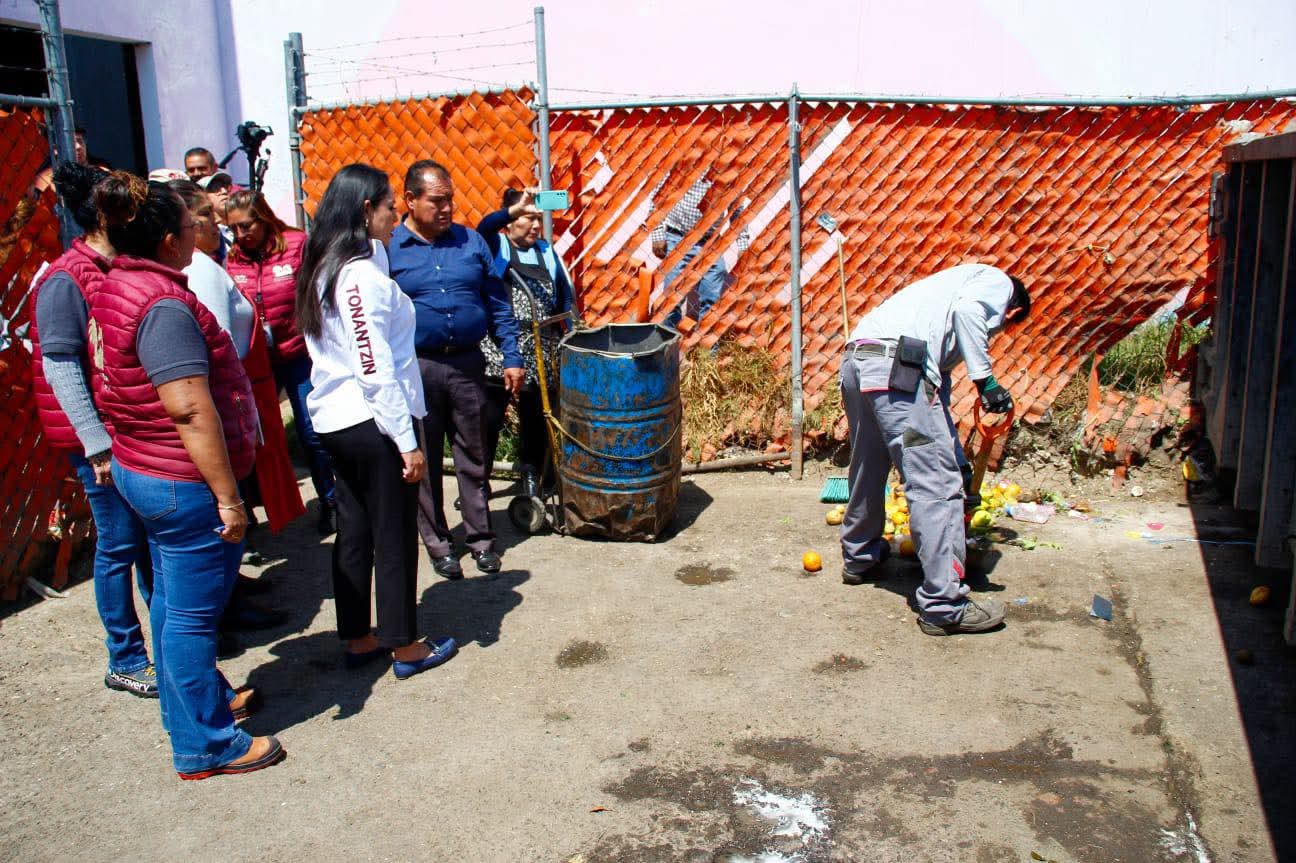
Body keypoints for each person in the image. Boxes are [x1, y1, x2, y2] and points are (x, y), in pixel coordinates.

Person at [89, 174, 283, 778]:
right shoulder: (163, 304)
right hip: (180, 478)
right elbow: (190, 407)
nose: (204, 235)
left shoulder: (118, 285)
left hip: (146, 466)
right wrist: (228, 498)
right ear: (171, 239)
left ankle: (192, 715)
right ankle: (206, 743)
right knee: (192, 617)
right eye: (194, 227)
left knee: (175, 610)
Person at [296, 163, 457, 680]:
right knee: (393, 534)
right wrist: (406, 440)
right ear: (367, 210)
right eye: (391, 207)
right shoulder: (358, 274)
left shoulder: (331, 261)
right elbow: (374, 365)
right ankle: (405, 645)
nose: (396, 216)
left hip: (338, 419)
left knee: (357, 529)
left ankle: (358, 634)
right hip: (371, 420)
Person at [838, 264, 1030, 636]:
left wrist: (958, 460)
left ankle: (859, 557)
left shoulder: (931, 306)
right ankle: (944, 605)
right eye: (1003, 326)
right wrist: (986, 382)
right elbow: (969, 313)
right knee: (935, 485)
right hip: (898, 368)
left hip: (858, 360)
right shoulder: (998, 284)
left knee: (869, 464)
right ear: (1013, 311)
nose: (996, 330)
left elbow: (932, 405)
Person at [29, 162, 156, 698]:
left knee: (149, 540)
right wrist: (96, 444)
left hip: (127, 431)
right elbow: (60, 365)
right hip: (100, 443)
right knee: (120, 542)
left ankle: (171, 646)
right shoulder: (65, 278)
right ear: (107, 216)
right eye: (134, 207)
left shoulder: (116, 267)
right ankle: (124, 657)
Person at [388, 160, 523, 578]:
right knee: (424, 459)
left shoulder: (470, 242)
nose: (447, 208)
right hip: (417, 369)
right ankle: (439, 545)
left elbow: (498, 302)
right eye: (437, 200)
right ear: (410, 200)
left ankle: (481, 539)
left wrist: (512, 356)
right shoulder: (388, 250)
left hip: (468, 363)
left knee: (474, 453)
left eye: (450, 199)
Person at [170, 179, 304, 536]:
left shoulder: (207, 263)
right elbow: (222, 345)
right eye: (206, 216)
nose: (217, 225)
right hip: (233, 391)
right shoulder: (201, 269)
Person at [224, 188, 337, 534]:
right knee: (246, 436)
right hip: (257, 362)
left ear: (264, 218)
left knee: (311, 431)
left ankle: (332, 502)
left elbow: (321, 291)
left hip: (299, 355)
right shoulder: (233, 259)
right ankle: (251, 511)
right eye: (234, 229)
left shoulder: (296, 245)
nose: (242, 235)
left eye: (247, 226)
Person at [476, 188, 574, 496]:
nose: (534, 225)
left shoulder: (547, 252)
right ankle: (479, 479)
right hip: (500, 350)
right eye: (526, 218)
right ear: (511, 221)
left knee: (536, 419)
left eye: (537, 219)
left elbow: (565, 299)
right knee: (488, 418)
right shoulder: (497, 245)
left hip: (539, 352)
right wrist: (511, 210)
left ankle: (532, 476)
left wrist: (570, 334)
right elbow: (484, 228)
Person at [649, 173, 748, 329]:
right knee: (671, 299)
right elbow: (659, 196)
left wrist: (742, 245)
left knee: (712, 298)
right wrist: (658, 234)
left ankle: (706, 349)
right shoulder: (685, 160)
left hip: (710, 241)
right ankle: (667, 344)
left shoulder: (731, 168)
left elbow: (737, 210)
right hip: (678, 237)